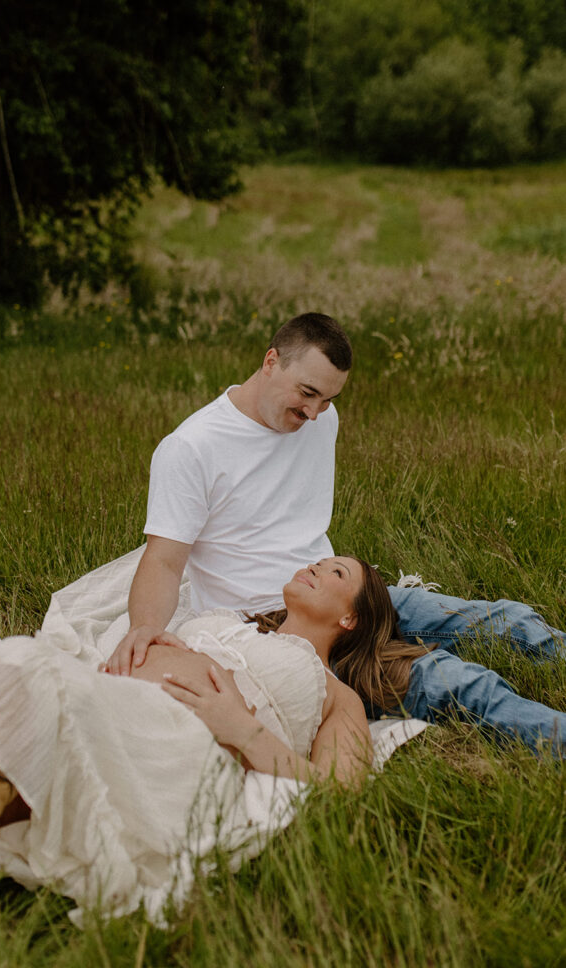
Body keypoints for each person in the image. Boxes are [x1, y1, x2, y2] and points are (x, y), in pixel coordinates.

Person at [0, 556, 383, 966]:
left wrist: (242, 728)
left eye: (337, 572)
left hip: (184, 745)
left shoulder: (339, 698)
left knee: (17, 666)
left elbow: (340, 792)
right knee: (13, 671)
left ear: (350, 618)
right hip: (108, 706)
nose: (318, 565)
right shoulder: (228, 621)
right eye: (320, 560)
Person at [108, 312, 566, 754]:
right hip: (279, 628)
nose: (314, 413)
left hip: (341, 592)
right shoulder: (191, 448)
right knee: (462, 683)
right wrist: (146, 628)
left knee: (510, 621)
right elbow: (164, 562)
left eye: (328, 399)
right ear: (271, 361)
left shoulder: (322, 420)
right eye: (307, 393)